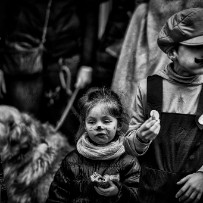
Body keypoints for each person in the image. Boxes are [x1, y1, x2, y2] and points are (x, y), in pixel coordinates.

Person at [124, 8, 203, 203]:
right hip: (151, 193)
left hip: (195, 194)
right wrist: (141, 137)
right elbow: (128, 145)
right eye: (197, 45)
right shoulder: (149, 88)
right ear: (173, 52)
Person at [46, 87, 140, 203]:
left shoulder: (128, 161)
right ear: (85, 125)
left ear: (119, 124)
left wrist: (118, 191)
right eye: (92, 122)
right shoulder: (72, 161)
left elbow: (137, 196)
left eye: (106, 121)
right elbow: (56, 198)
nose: (99, 126)